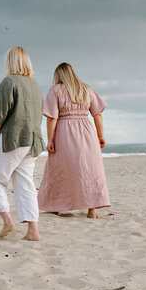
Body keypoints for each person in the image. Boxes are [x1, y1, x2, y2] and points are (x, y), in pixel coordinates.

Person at [0, 46, 45, 241]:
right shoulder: (35, 85)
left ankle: (7, 220)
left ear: (10, 62)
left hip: (12, 138)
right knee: (25, 184)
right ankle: (33, 231)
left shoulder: (9, 82)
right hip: (32, 140)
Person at [38, 63, 110, 218]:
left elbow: (52, 117)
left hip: (64, 131)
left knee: (61, 168)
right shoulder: (86, 89)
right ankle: (92, 209)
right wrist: (100, 135)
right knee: (90, 169)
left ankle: (57, 206)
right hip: (87, 131)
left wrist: (50, 139)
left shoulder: (56, 90)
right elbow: (97, 114)